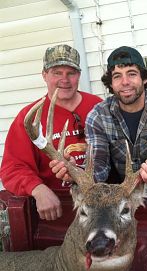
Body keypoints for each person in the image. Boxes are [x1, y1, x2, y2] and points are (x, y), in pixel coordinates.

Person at [51, 46, 147, 206]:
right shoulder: (98, 116)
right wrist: (76, 173)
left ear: (144, 78)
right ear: (111, 83)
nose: (125, 82)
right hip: (117, 204)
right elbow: (98, 166)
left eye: (132, 74)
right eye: (117, 76)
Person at [0, 44, 102, 220]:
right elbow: (13, 168)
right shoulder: (30, 117)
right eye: (57, 72)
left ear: (79, 75)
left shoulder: (98, 107)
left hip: (99, 204)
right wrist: (38, 189)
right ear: (44, 75)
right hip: (57, 208)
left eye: (71, 73)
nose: (65, 80)